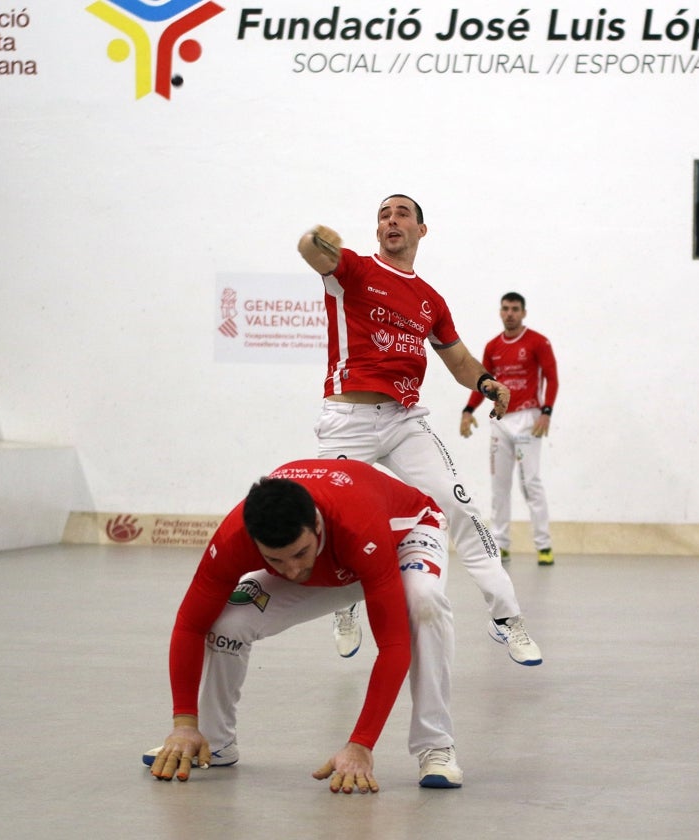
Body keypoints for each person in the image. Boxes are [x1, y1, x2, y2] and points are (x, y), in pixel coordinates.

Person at [297, 195, 542, 667]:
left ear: (421, 231)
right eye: (384, 216)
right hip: (347, 422)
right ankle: (344, 604)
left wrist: (487, 383)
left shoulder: (431, 300)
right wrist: (314, 240)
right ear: (377, 232)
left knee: (462, 508)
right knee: (332, 521)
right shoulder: (352, 270)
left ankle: (507, 618)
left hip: (404, 421)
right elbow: (313, 253)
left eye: (402, 214)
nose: (391, 220)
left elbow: (461, 363)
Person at [150, 459, 462, 791]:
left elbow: (394, 645)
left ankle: (436, 746)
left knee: (423, 603)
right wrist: (184, 722)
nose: (292, 572)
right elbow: (191, 624)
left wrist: (361, 744)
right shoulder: (235, 537)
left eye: (300, 553)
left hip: (401, 538)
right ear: (253, 541)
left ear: (316, 524)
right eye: (274, 560)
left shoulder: (358, 523)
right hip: (339, 559)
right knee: (228, 623)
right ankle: (213, 742)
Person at [461, 292, 560, 565]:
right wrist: (468, 410)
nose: (510, 314)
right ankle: (500, 544)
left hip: (529, 420)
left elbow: (552, 379)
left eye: (515, 309)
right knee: (499, 485)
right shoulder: (492, 346)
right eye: (505, 309)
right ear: (500, 312)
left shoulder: (538, 342)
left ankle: (544, 545)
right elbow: (484, 384)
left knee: (531, 484)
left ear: (523, 313)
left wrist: (546, 412)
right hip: (500, 422)